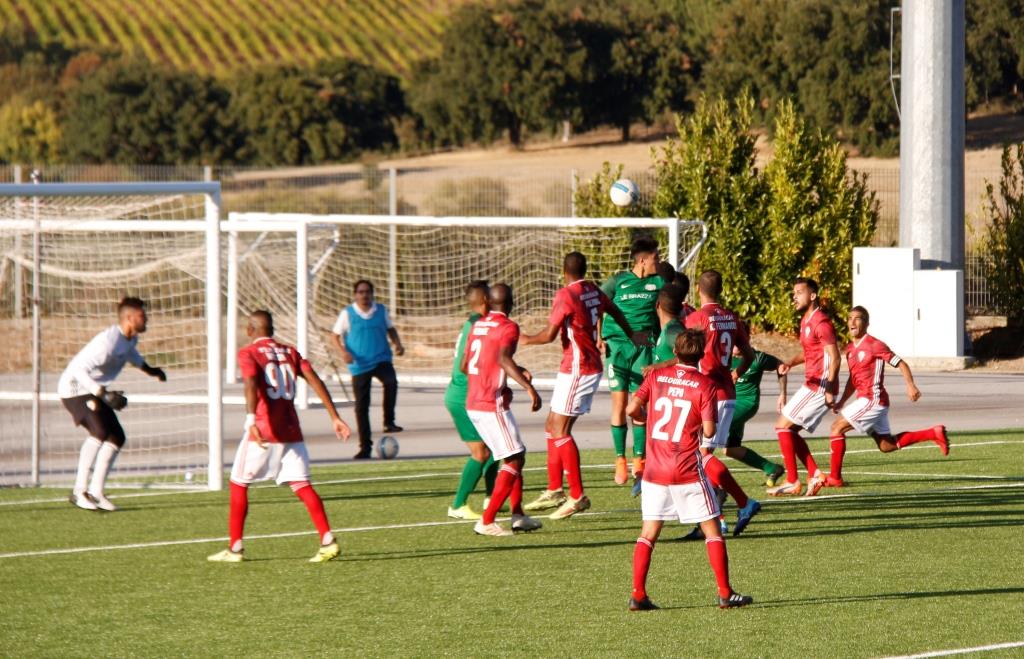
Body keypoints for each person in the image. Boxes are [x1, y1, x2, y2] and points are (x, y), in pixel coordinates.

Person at [208, 310, 352, 563]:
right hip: (291, 431)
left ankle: (235, 548)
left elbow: (251, 382)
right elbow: (314, 379)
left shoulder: (249, 353)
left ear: (250, 330)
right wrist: (335, 417)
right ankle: (327, 540)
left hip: (264, 431)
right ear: (272, 329)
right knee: (302, 485)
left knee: (239, 483)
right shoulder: (290, 352)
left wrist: (250, 419)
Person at [625, 328, 754, 611]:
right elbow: (708, 429)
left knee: (648, 533)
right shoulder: (704, 385)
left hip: (654, 470)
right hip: (686, 469)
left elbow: (632, 409)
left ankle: (638, 594)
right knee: (713, 530)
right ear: (702, 354)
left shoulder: (656, 377)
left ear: (675, 352)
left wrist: (649, 420)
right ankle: (725, 592)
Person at [521, 252, 637, 519]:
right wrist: (632, 334)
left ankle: (577, 495)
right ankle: (554, 489)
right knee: (552, 425)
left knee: (561, 430)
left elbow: (549, 335)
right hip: (576, 366)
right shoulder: (593, 290)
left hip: (579, 367)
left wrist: (525, 338)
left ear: (564, 272)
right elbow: (615, 310)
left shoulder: (566, 295)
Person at [59, 297, 167, 512]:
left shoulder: (129, 340)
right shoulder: (107, 342)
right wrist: (103, 394)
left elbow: (133, 357)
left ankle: (97, 492)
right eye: (141, 316)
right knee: (99, 431)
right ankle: (79, 491)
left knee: (116, 436)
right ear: (129, 318)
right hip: (73, 388)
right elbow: (78, 370)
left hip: (93, 390)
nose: (146, 319)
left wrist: (152, 370)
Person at [826, 306, 949, 485]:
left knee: (837, 428)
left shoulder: (875, 345)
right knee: (887, 446)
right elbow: (853, 380)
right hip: (869, 401)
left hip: (873, 400)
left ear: (866, 324)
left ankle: (835, 478)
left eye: (858, 318)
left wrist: (910, 385)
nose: (852, 321)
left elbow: (901, 363)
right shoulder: (850, 349)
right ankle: (933, 433)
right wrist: (842, 401)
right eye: (850, 318)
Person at [681, 270, 761, 537]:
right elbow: (749, 355)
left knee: (700, 457)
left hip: (708, 394)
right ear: (721, 288)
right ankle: (720, 515)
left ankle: (740, 504)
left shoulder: (696, 318)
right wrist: (736, 373)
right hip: (727, 392)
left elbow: (685, 355)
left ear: (698, 290)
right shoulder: (731, 318)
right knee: (705, 456)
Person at [463, 284, 544, 536]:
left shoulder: (478, 324)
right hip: (491, 403)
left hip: (474, 402)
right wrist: (528, 386)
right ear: (512, 303)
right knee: (514, 457)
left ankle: (518, 514)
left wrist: (515, 370)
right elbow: (502, 358)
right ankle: (487, 521)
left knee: (515, 454)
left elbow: (466, 365)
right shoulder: (509, 326)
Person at [599, 235, 664, 487]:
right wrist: (598, 338)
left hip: (644, 348)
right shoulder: (618, 281)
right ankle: (619, 459)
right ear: (642, 260)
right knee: (619, 403)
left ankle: (640, 459)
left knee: (639, 406)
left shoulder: (658, 282)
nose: (658, 262)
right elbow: (598, 305)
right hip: (617, 347)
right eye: (655, 258)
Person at [769, 277, 837, 497]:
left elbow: (835, 358)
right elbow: (809, 353)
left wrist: (829, 388)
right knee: (788, 430)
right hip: (812, 384)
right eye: (794, 293)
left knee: (782, 427)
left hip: (819, 386)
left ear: (813, 295)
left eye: (799, 292)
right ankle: (815, 473)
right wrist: (790, 362)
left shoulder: (821, 322)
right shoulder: (806, 321)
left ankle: (792, 481)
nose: (794, 297)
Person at [330, 279, 405, 459]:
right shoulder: (347, 313)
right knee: (361, 407)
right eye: (360, 292)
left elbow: (391, 329)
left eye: (367, 292)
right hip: (359, 364)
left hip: (381, 358)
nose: (364, 295)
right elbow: (334, 336)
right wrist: (343, 352)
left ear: (372, 294)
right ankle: (365, 446)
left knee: (391, 382)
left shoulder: (380, 311)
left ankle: (389, 421)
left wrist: (398, 344)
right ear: (355, 294)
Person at [446, 280, 500, 520]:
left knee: (495, 446)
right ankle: (458, 505)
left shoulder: (472, 322)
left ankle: (492, 497)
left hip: (469, 394)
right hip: (464, 396)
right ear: (485, 300)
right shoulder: (480, 324)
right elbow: (465, 365)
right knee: (480, 453)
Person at [726, 338, 788, 487]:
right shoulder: (725, 357)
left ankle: (709, 482)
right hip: (728, 404)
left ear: (745, 340)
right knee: (731, 449)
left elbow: (781, 365)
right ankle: (772, 468)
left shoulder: (758, 358)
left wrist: (782, 394)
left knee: (708, 435)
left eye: (738, 340)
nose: (734, 345)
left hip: (747, 404)